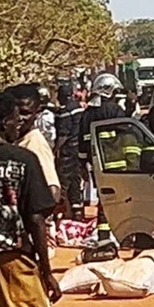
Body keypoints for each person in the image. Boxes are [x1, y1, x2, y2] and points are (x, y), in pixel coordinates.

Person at [0, 92, 61, 307]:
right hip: (16, 262)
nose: (19, 125)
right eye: (16, 119)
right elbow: (36, 219)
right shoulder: (23, 159)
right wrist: (46, 272)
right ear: (4, 122)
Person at [78, 73, 126, 259]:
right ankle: (123, 234)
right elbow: (125, 135)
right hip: (119, 166)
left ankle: (104, 237)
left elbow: (82, 142)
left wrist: (83, 164)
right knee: (123, 202)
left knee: (104, 202)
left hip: (97, 166)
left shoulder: (87, 114)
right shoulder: (115, 110)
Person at [4, 84, 62, 205]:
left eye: (25, 113)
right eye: (15, 112)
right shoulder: (17, 141)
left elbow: (53, 193)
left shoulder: (35, 144)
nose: (19, 118)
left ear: (37, 113)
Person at [54, 85, 85, 221]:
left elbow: (63, 134)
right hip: (79, 148)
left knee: (63, 180)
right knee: (75, 179)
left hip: (68, 150)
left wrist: (55, 150)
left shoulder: (65, 112)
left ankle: (57, 210)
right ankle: (77, 210)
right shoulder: (79, 108)